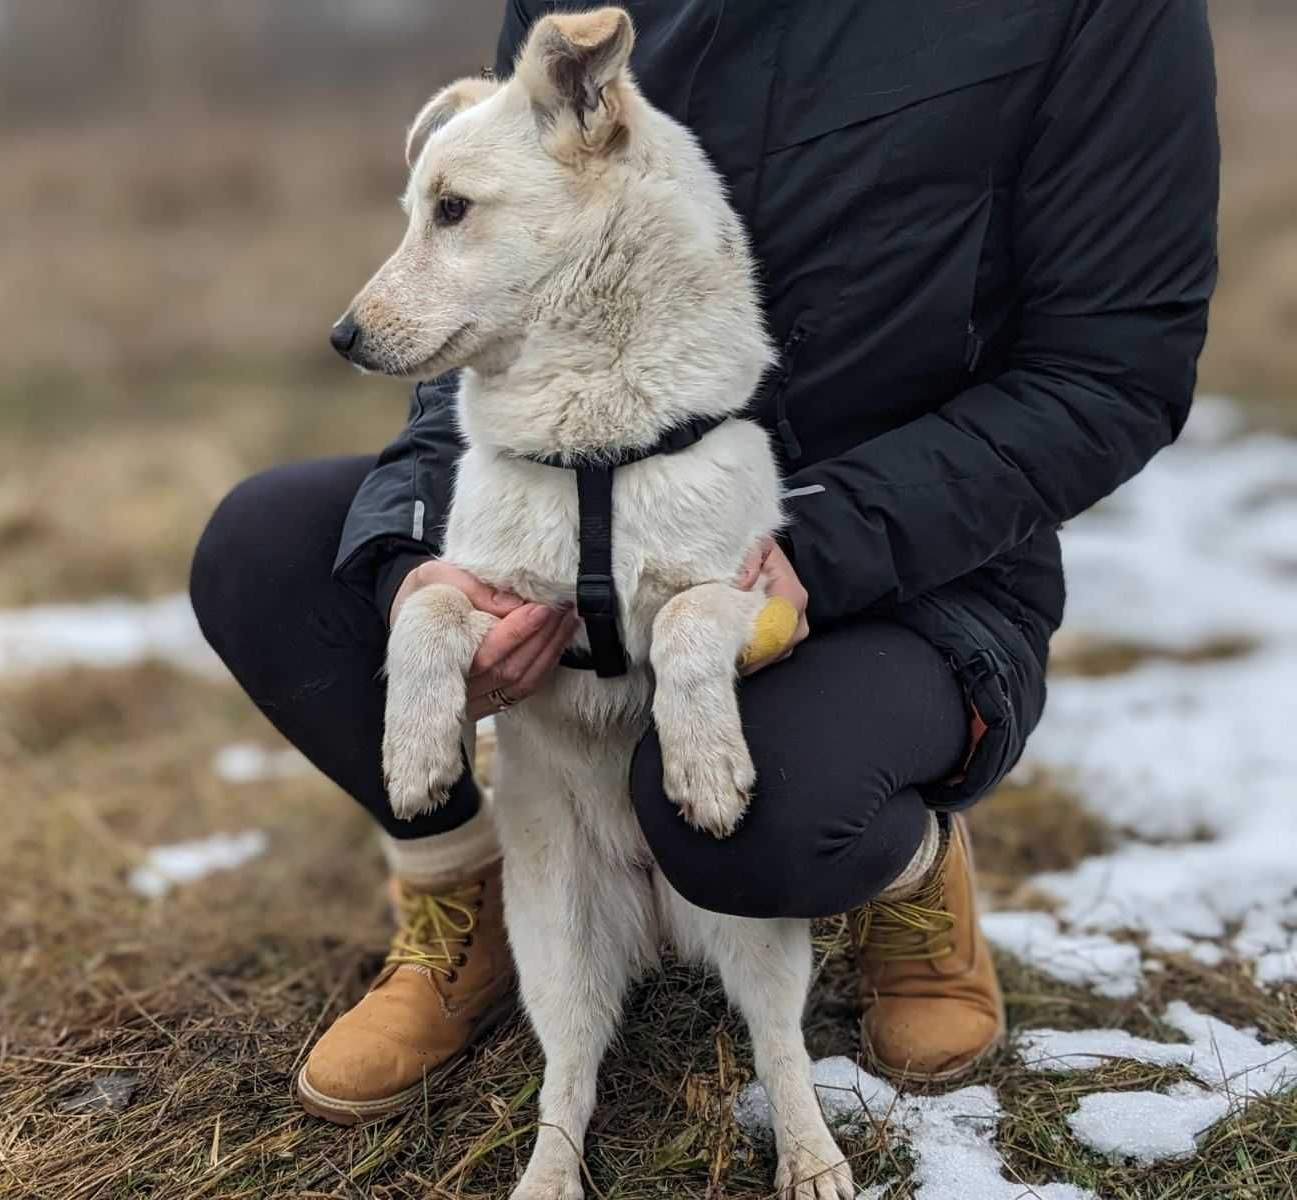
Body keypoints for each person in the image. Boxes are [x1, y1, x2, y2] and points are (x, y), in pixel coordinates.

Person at [190, 0, 1218, 1122]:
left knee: (751, 824)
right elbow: (492, 308)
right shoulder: (583, 30)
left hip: (906, 564)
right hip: (583, 512)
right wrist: (420, 558)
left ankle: (903, 874)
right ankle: (471, 894)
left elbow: (1110, 373)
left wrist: (812, 548)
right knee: (275, 553)